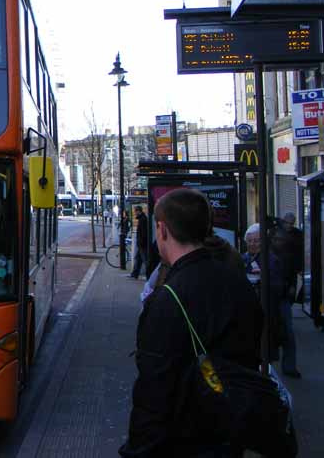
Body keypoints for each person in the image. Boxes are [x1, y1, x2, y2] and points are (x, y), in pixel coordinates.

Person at [120, 188, 263, 458]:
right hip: (231, 431)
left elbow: (153, 394)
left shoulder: (167, 299)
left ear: (162, 230)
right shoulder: (238, 283)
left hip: (184, 439)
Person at [245, 221, 301, 378]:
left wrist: (262, 279)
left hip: (277, 301)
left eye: (256, 241)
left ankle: (288, 366)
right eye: (250, 241)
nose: (253, 244)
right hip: (259, 302)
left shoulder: (272, 258)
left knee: (285, 332)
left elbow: (280, 281)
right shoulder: (245, 258)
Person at [129, 206, 149, 280]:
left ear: (139, 211)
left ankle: (148, 275)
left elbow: (143, 233)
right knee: (138, 258)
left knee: (145, 260)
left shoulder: (142, 219)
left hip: (142, 244)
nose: (134, 213)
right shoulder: (142, 218)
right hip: (141, 243)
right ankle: (135, 273)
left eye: (135, 211)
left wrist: (141, 242)